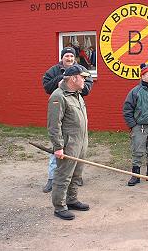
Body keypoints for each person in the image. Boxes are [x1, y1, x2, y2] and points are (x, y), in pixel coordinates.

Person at [42, 46, 93, 193]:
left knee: (77, 150)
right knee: (58, 149)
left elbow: (88, 88)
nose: (69, 59)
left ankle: (76, 178)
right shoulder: (54, 71)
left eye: (71, 56)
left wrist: (74, 85)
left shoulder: (81, 69)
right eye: (66, 56)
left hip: (74, 108)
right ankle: (52, 179)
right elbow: (47, 86)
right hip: (61, 108)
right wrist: (62, 80)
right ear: (62, 58)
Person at [48, 65, 91, 220]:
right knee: (63, 175)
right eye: (83, 77)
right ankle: (59, 207)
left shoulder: (77, 94)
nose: (85, 80)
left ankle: (71, 200)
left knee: (76, 174)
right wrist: (58, 147)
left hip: (81, 141)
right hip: (68, 143)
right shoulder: (58, 96)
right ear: (73, 78)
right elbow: (54, 125)